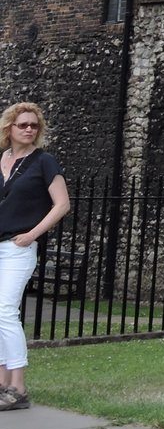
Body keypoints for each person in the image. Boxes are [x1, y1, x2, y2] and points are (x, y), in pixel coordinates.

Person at [0, 103, 69, 412]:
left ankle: (19, 387)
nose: (29, 129)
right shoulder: (1, 160)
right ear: (9, 128)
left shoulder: (44, 162)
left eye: (34, 126)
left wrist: (32, 235)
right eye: (22, 125)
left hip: (18, 248)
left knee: (5, 311)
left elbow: (61, 204)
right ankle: (3, 383)